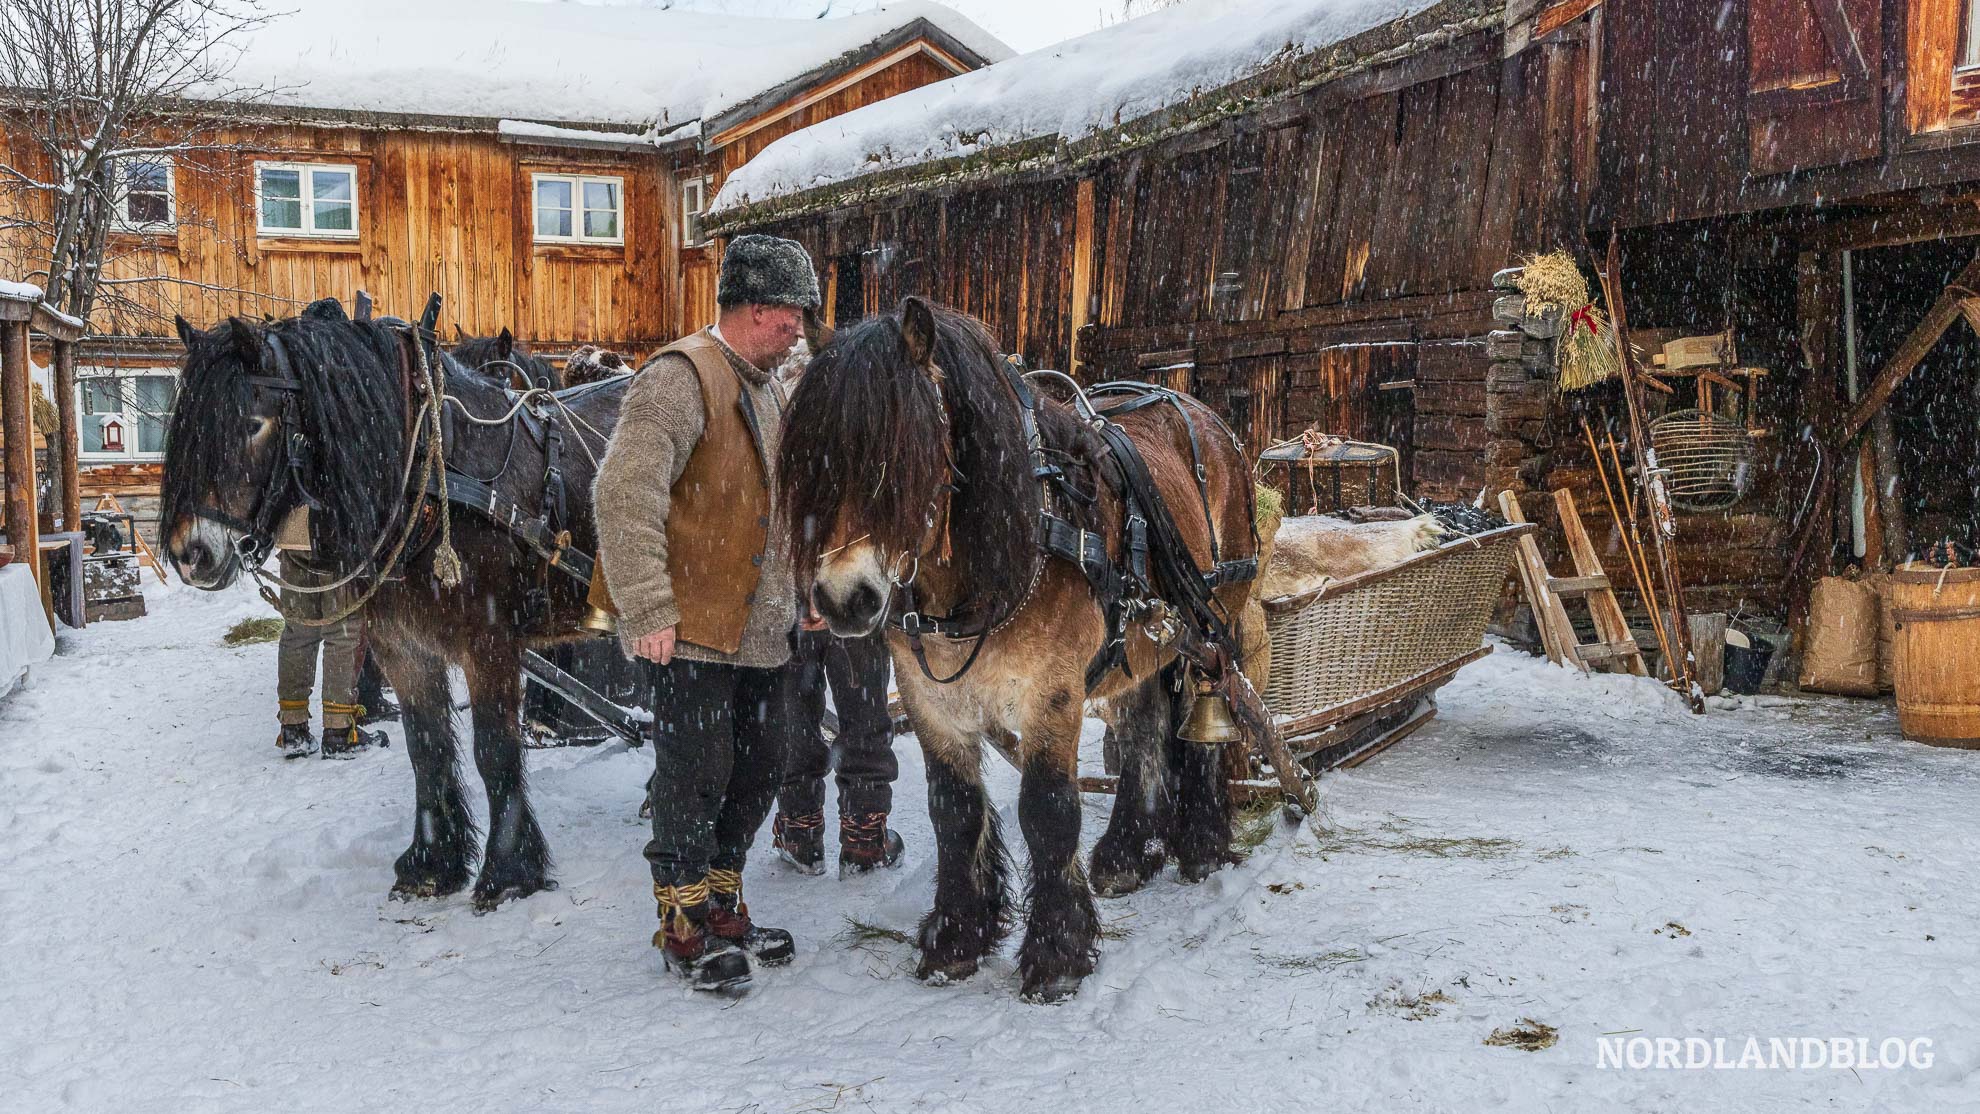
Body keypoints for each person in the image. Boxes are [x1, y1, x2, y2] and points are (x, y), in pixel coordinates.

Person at [592, 234, 818, 994]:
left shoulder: (769, 385)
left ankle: (722, 901)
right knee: (695, 775)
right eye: (793, 317)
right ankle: (683, 920)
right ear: (759, 310)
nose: (800, 332)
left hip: (761, 629)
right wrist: (648, 605)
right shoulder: (678, 377)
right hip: (689, 626)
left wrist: (806, 591)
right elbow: (624, 495)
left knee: (762, 765)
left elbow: (779, 507)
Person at [769, 345, 904, 877]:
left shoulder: (780, 436)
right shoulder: (860, 436)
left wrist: (798, 587)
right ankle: (864, 834)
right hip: (847, 598)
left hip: (804, 599)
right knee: (865, 715)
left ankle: (802, 831)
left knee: (793, 716)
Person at [273, 547, 388, 759]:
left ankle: (293, 729)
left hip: (292, 539)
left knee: (298, 632)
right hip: (333, 538)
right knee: (342, 632)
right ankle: (339, 731)